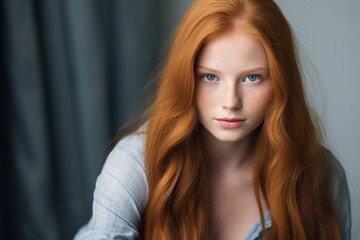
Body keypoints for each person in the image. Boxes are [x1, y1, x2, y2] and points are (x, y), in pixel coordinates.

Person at [74, 0, 351, 239]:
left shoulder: (322, 175)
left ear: (280, 82)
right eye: (210, 77)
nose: (231, 101)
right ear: (186, 80)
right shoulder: (136, 163)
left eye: (252, 78)